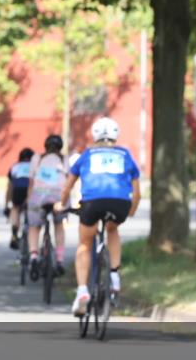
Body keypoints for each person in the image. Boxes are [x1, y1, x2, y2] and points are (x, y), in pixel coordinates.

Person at [57, 117, 141, 317]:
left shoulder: (87, 155)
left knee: (85, 243)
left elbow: (68, 186)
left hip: (93, 203)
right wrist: (131, 211)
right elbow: (137, 193)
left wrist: (62, 203)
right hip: (119, 203)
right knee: (112, 229)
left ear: (94, 136)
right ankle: (114, 276)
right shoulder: (125, 154)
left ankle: (82, 292)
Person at [26, 134, 68, 277]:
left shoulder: (37, 158)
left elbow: (31, 182)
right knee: (59, 225)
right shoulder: (64, 159)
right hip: (59, 196)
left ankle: (33, 256)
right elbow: (69, 180)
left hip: (39, 194)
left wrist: (28, 199)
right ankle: (60, 260)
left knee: (34, 225)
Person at [5, 147, 35, 249]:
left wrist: (7, 204)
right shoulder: (35, 166)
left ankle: (14, 232)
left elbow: (10, 187)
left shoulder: (15, 166)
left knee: (16, 208)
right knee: (31, 210)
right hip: (31, 189)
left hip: (18, 188)